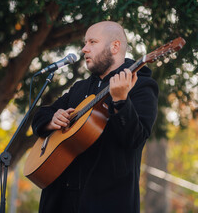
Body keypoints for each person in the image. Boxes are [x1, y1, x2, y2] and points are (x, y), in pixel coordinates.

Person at [31, 21, 159, 213]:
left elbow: (135, 138)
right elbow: (40, 115)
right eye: (85, 43)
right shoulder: (79, 88)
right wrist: (52, 120)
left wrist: (121, 101)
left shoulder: (141, 85)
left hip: (107, 202)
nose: (84, 49)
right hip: (59, 201)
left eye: (92, 42)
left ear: (115, 46)